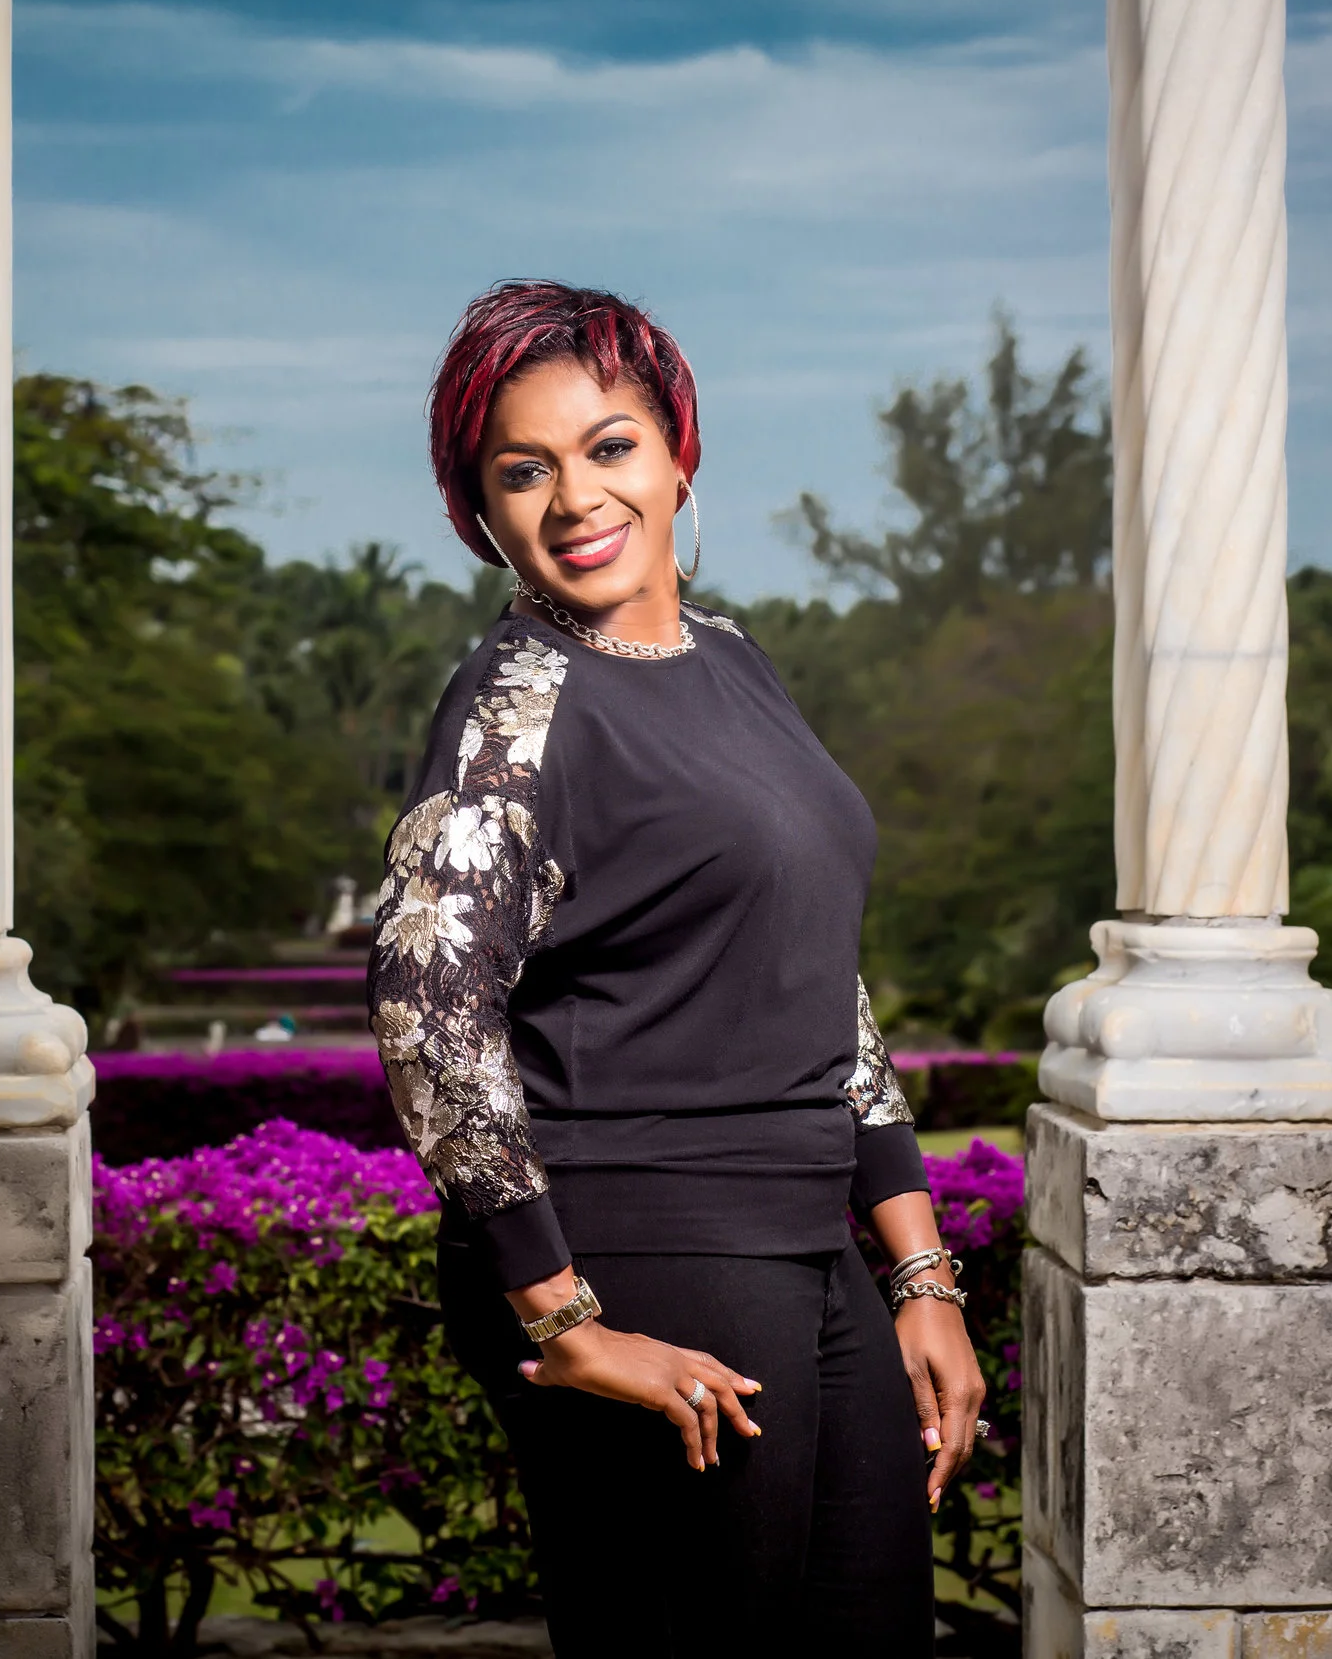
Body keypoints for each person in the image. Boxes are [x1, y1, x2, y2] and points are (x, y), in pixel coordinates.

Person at [367, 280, 987, 1654]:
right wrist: (565, 1321)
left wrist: (921, 1273)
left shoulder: (735, 659)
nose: (575, 498)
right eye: (522, 470)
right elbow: (428, 1005)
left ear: (677, 453)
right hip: (641, 1239)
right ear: (481, 509)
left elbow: (820, 981)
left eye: (610, 447)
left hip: (804, 1235)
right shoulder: (513, 704)